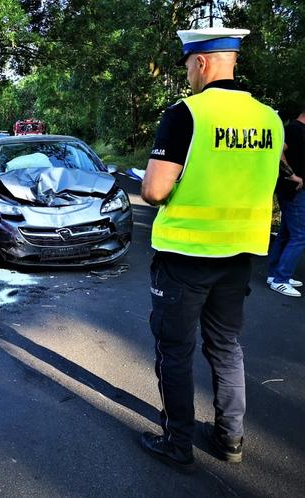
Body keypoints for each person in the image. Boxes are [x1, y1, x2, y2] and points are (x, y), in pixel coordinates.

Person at [139, 27, 284, 472]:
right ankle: (230, 438)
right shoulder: (270, 119)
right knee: (226, 345)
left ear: (201, 62)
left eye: (186, 65)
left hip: (186, 256)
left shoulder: (187, 114)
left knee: (175, 349)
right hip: (240, 256)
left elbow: (154, 190)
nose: (187, 73)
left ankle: (178, 442)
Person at [266, 107, 305, 296]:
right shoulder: (294, 129)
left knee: (287, 233)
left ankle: (275, 275)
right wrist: (292, 175)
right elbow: (278, 151)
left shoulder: (298, 130)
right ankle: (281, 278)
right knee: (300, 235)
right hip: (292, 191)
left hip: (295, 191)